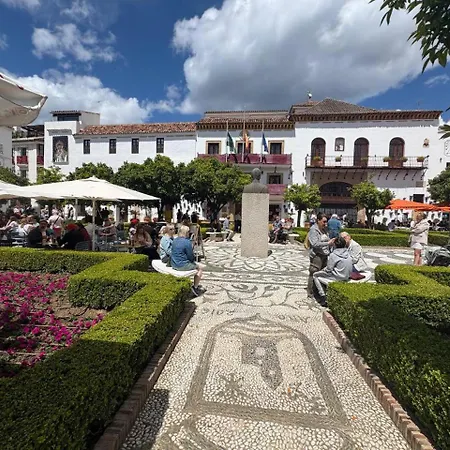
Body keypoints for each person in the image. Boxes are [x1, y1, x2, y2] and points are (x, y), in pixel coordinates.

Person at [313, 236, 353, 306]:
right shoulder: (348, 253)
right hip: (347, 275)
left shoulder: (334, 255)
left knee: (315, 275)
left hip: (337, 276)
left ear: (334, 245)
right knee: (321, 273)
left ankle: (323, 296)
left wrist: (323, 270)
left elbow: (329, 269)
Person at [307, 213, 335, 297]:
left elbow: (327, 239)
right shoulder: (313, 230)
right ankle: (311, 292)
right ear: (318, 220)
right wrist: (328, 243)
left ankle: (319, 290)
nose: (325, 224)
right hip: (317, 255)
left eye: (326, 222)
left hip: (325, 255)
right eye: (324, 221)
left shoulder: (324, 229)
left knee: (322, 274)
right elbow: (315, 243)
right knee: (314, 272)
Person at [171, 225, 203, 297]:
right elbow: (190, 256)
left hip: (173, 263)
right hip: (181, 265)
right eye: (189, 232)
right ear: (186, 232)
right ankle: (195, 287)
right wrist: (194, 263)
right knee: (200, 268)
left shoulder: (175, 240)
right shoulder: (187, 242)